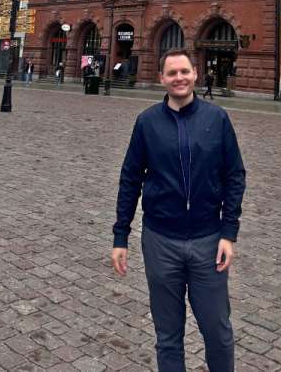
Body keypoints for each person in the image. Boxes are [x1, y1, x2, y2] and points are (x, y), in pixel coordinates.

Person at [111, 48, 246, 372]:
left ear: (195, 74)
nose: (179, 78)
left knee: (218, 332)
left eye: (184, 71)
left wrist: (229, 233)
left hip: (208, 240)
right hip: (160, 241)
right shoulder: (147, 122)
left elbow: (234, 176)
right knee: (168, 335)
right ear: (161, 78)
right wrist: (120, 236)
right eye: (172, 73)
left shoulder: (216, 119)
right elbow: (130, 179)